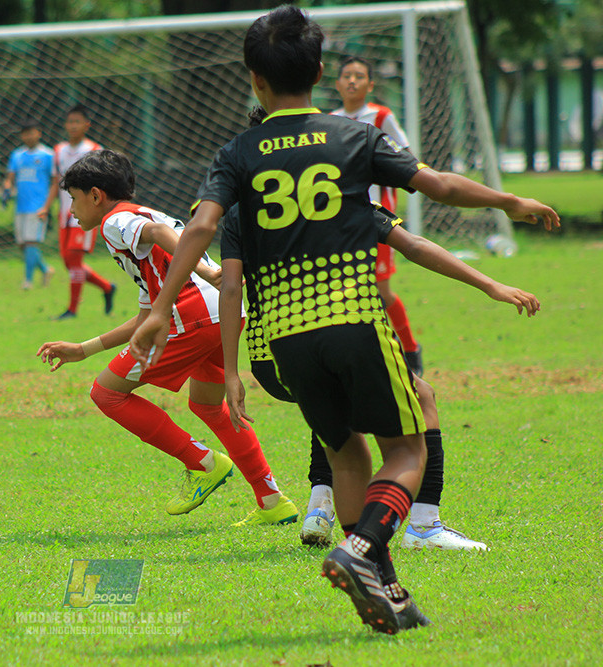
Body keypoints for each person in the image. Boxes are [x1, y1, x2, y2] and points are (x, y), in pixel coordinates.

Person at [129, 6, 558, 634]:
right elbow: (434, 185)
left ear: (255, 80)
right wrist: (508, 200)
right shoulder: (353, 139)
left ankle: (379, 588)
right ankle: (363, 549)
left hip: (283, 338)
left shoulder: (238, 153)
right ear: (323, 71)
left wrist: (162, 307)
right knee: (409, 445)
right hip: (353, 319)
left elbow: (199, 227)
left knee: (345, 452)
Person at [234, 106, 485, 551]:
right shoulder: (333, 200)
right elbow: (416, 244)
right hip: (331, 331)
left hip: (269, 355)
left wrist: (229, 371)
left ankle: (320, 506)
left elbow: (229, 286)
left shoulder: (238, 213)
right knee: (417, 400)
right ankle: (421, 527)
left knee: (331, 407)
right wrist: (490, 283)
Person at [37, 149, 298, 526]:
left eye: (74, 199)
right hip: (220, 312)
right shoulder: (145, 216)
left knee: (106, 393)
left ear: (96, 195)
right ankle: (273, 501)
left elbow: (161, 238)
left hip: (191, 312)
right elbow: (148, 314)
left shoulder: (116, 221)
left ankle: (203, 463)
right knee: (209, 406)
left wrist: (207, 272)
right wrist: (83, 348)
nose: (72, 211)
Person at [332, 56, 423, 376]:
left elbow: (406, 158)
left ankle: (410, 349)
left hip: (377, 219)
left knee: (381, 291)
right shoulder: (331, 120)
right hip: (340, 218)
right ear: (337, 83)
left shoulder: (381, 116)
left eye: (359, 76)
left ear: (371, 85)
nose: (352, 81)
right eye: (346, 75)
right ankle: (367, 357)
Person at [43, 104, 116, 319]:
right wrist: (46, 208)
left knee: (74, 261)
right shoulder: (58, 151)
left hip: (85, 215)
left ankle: (72, 310)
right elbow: (56, 182)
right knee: (68, 262)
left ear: (86, 125)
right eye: (70, 121)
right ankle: (106, 287)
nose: (73, 126)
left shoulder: (95, 149)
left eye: (77, 121)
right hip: (65, 215)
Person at [1, 119, 55, 289]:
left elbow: (55, 180)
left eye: (32, 132)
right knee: (22, 244)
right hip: (21, 206)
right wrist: (7, 189)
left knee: (31, 242)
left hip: (38, 206)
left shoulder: (48, 155)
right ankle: (46, 269)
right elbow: (9, 178)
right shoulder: (17, 155)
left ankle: (28, 281)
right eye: (26, 133)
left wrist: (47, 205)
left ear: (39, 133)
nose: (29, 136)